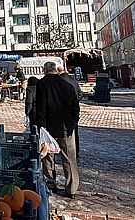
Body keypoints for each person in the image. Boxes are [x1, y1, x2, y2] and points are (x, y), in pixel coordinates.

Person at [36, 60, 80, 199]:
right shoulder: (67, 85)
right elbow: (75, 107)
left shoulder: (42, 84)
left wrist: (41, 127)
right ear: (56, 70)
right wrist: (73, 122)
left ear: (45, 70)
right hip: (66, 127)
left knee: (48, 157)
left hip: (49, 127)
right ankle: (71, 189)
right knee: (69, 158)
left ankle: (50, 184)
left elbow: (40, 107)